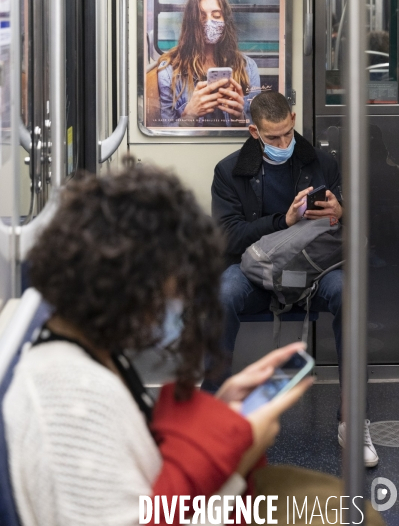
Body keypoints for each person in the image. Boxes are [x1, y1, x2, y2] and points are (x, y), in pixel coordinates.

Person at [3, 158, 312, 526]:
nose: (179, 304)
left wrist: (223, 406)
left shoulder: (90, 352)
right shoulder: (70, 397)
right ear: (135, 286)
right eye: (174, 289)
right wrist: (239, 456)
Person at [203, 91, 379, 468]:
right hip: (254, 271)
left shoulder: (322, 162)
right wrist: (283, 221)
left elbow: (352, 222)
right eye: (273, 138)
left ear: (294, 119)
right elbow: (228, 237)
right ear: (254, 131)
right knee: (223, 294)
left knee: (350, 295)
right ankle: (211, 410)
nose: (284, 143)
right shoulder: (229, 171)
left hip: (315, 270)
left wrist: (339, 211)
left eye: (288, 133)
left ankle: (353, 418)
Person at [157, 0, 260, 127]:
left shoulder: (248, 67)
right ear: (191, 22)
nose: (210, 22)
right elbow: (165, 132)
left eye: (216, 16)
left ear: (225, 21)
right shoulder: (169, 72)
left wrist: (239, 117)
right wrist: (189, 115)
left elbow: (258, 129)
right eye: (202, 16)